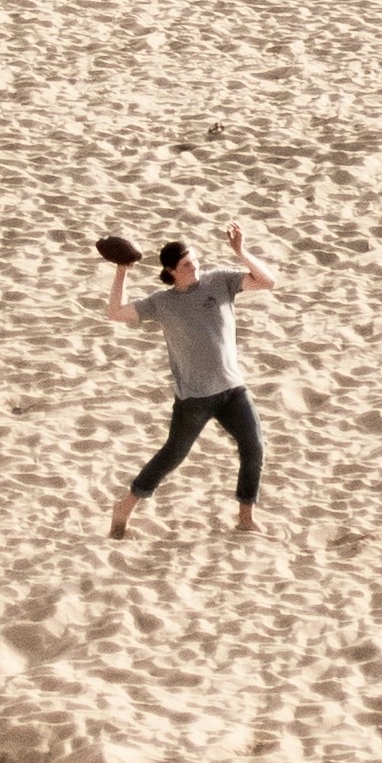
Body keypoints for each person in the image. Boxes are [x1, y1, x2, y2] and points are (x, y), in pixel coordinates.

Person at [100, 221, 271, 535]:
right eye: (187, 264)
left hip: (233, 389)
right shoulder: (162, 303)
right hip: (195, 398)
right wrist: (122, 270)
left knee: (254, 446)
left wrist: (241, 251)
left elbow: (268, 281)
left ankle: (246, 517)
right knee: (172, 456)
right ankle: (124, 507)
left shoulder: (220, 281)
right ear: (171, 271)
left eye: (195, 261)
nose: (196, 267)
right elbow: (116, 312)